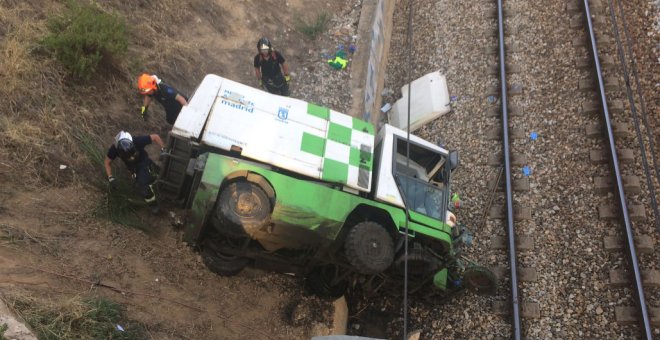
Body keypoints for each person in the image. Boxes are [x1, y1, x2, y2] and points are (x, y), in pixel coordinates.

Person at [104, 131, 166, 213]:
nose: (131, 158)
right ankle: (153, 205)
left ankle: (162, 185)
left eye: (132, 154)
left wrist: (163, 149)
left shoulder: (137, 141)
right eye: (128, 157)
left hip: (144, 162)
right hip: (133, 169)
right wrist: (110, 178)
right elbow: (107, 162)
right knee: (142, 185)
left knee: (158, 175)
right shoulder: (114, 149)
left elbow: (155, 137)